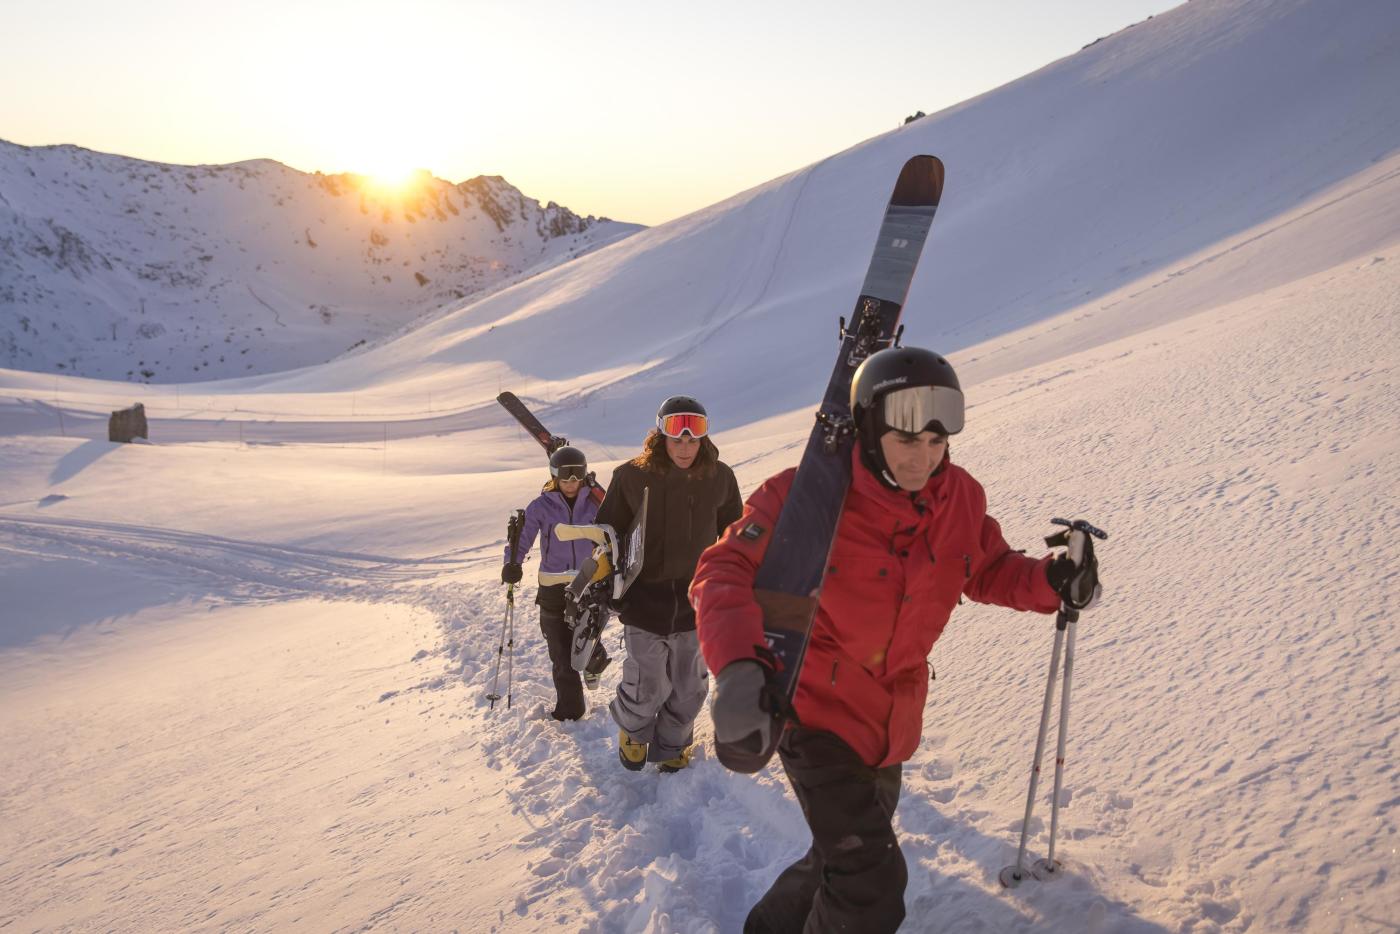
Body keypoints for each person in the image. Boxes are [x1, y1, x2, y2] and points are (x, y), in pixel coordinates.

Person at [691, 347, 1103, 933]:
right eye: (908, 441)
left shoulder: (958, 496)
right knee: (871, 882)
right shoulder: (806, 494)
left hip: (890, 719)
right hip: (814, 713)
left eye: (937, 443)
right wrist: (736, 669)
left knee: (840, 857)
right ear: (868, 429)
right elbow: (722, 570)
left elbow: (985, 567)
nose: (924, 459)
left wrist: (1051, 580)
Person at [597, 395, 743, 772]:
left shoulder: (720, 477)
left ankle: (675, 743)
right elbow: (608, 533)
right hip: (645, 598)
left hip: (697, 600)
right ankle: (633, 730)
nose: (685, 446)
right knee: (648, 682)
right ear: (660, 436)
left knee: (688, 685)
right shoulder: (630, 476)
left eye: (692, 439)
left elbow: (734, 533)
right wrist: (606, 582)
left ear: (703, 439)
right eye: (677, 438)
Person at [503, 446, 611, 722]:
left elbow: (613, 533)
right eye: (565, 479)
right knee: (560, 651)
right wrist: (513, 564)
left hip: (588, 583)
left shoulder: (596, 502)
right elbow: (523, 537)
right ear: (554, 477)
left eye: (576, 478)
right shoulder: (542, 506)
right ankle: (570, 711)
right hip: (552, 585)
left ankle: (594, 659)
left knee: (586, 638)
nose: (571, 484)